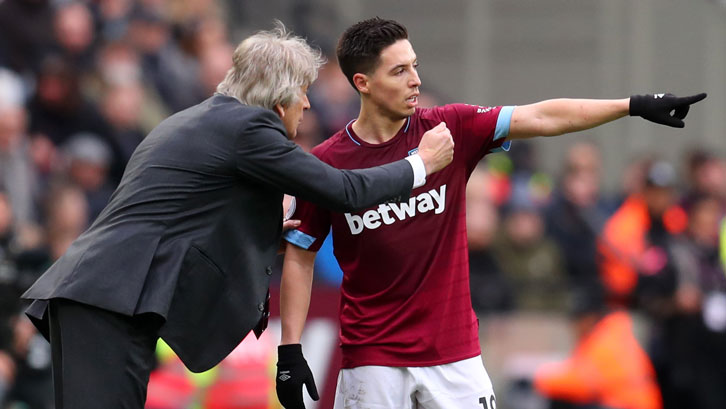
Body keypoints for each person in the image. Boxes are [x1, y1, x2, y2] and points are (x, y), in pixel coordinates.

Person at [275, 17, 706, 409]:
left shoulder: (451, 128)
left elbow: (542, 115)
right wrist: (290, 350)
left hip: (455, 356)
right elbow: (300, 254)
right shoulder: (327, 164)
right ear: (362, 83)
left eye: (415, 65)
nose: (416, 81)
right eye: (399, 71)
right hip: (371, 360)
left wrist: (631, 104)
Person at [20, 23, 456, 409]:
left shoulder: (197, 121)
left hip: (98, 296)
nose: (307, 105)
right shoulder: (249, 129)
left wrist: (262, 227)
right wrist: (422, 164)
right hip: (107, 301)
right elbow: (344, 190)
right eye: (302, 91)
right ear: (278, 96)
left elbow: (177, 216)